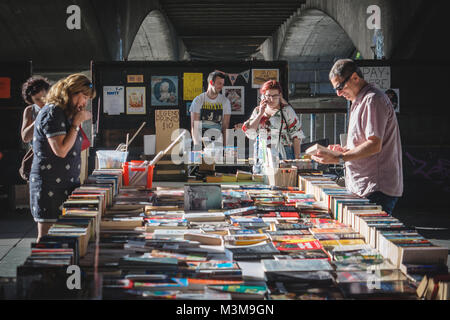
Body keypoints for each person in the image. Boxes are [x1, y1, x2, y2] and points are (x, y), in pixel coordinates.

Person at [311, 59, 403, 215]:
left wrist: (340, 157)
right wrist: (344, 150)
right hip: (365, 186)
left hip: (375, 188)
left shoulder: (372, 100)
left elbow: (374, 145)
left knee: (371, 236)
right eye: (336, 89)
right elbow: (364, 142)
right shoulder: (358, 100)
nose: (339, 93)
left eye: (340, 87)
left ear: (355, 77)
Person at [29, 74, 95, 242]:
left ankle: (57, 269)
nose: (85, 102)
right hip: (50, 185)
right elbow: (61, 150)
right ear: (72, 93)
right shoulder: (53, 112)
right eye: (85, 96)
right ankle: (42, 269)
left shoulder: (64, 113)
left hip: (66, 183)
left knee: (63, 238)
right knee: (47, 239)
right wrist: (76, 123)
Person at [242, 80, 305, 173]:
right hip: (262, 154)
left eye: (275, 96)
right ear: (263, 96)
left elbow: (297, 136)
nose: (271, 99)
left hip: (283, 154)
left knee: (282, 183)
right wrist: (260, 114)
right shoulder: (257, 111)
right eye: (268, 96)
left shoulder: (287, 111)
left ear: (280, 95)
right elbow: (250, 133)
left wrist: (298, 160)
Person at [190, 71, 231, 150]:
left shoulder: (225, 101)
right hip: (201, 141)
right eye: (219, 83)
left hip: (218, 142)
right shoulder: (198, 100)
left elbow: (225, 126)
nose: (221, 86)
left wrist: (226, 148)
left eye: (222, 84)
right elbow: (195, 126)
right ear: (211, 82)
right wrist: (197, 146)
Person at [21, 76, 51, 144]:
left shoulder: (56, 108)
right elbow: (25, 137)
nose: (43, 101)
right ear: (31, 100)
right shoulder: (30, 110)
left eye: (44, 97)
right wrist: (41, 116)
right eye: (37, 99)